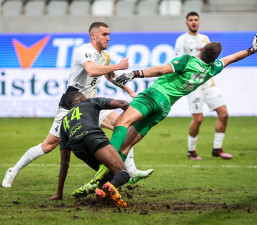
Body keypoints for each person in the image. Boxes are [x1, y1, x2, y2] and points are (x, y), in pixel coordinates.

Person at [2, 22, 153, 190]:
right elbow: (92, 71)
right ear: (93, 36)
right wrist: (118, 65)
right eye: (104, 34)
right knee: (49, 145)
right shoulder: (84, 51)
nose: (108, 38)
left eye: (109, 34)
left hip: (92, 106)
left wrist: (129, 91)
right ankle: (13, 170)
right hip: (71, 106)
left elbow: (110, 76)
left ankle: (130, 171)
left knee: (123, 124)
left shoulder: (105, 57)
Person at [109, 34, 257, 162]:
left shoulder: (187, 60)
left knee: (122, 122)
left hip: (154, 95)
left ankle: (105, 160)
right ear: (214, 60)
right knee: (127, 146)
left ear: (201, 49)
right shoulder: (212, 70)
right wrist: (251, 50)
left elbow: (161, 70)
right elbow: (232, 58)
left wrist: (134, 74)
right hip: (164, 107)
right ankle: (106, 179)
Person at [47, 92, 129, 208]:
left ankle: (102, 193)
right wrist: (130, 114)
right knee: (122, 173)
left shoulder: (64, 123)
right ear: (82, 98)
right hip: (93, 136)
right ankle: (105, 188)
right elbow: (122, 103)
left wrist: (59, 194)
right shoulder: (90, 101)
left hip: (78, 148)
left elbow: (64, 162)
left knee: (109, 174)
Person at [175, 11, 231, 160]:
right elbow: (178, 61)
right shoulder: (182, 40)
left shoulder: (205, 38)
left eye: (196, 20)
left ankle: (217, 149)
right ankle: (191, 151)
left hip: (208, 83)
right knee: (198, 119)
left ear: (199, 22)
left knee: (224, 114)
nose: (194, 22)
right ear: (187, 22)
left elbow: (211, 59)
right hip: (194, 85)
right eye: (191, 20)